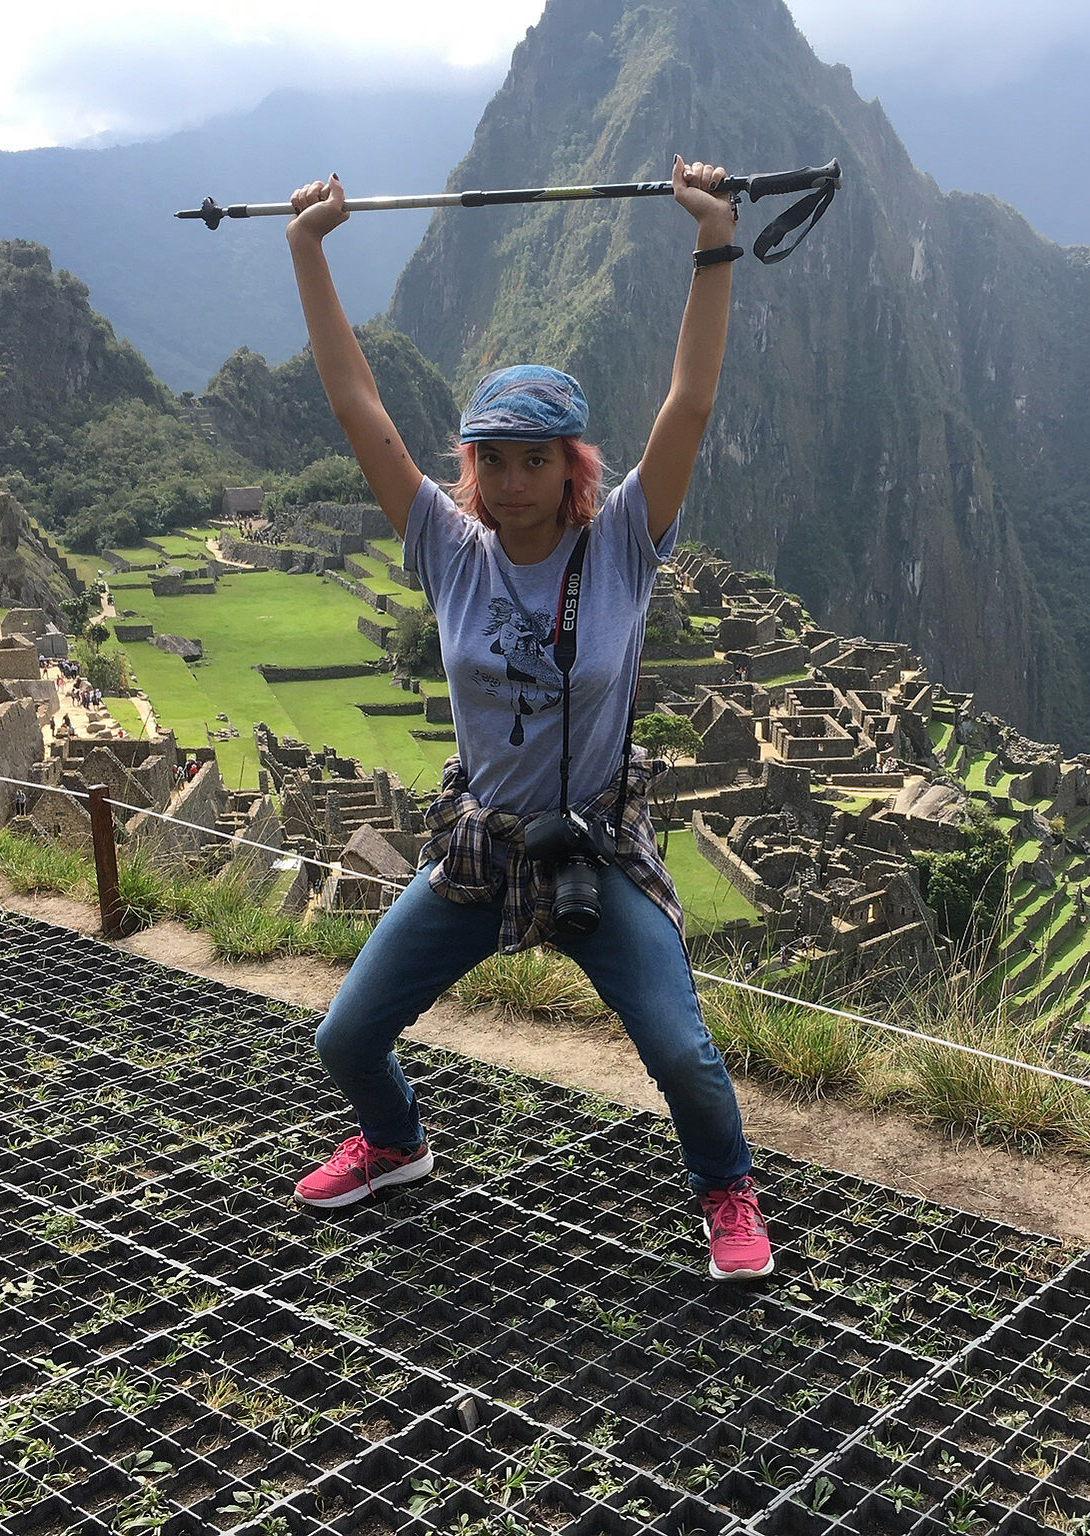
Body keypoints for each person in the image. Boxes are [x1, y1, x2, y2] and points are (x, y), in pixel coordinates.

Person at [282, 160, 772, 1280]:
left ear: (572, 468)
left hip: (592, 847)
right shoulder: (446, 552)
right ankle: (394, 1143)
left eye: (532, 460)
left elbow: (688, 401)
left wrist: (713, 243)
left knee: (684, 1058)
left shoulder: (622, 548)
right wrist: (309, 253)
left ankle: (726, 1191)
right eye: (489, 459)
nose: (508, 482)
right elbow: (357, 404)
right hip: (480, 845)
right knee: (345, 1036)